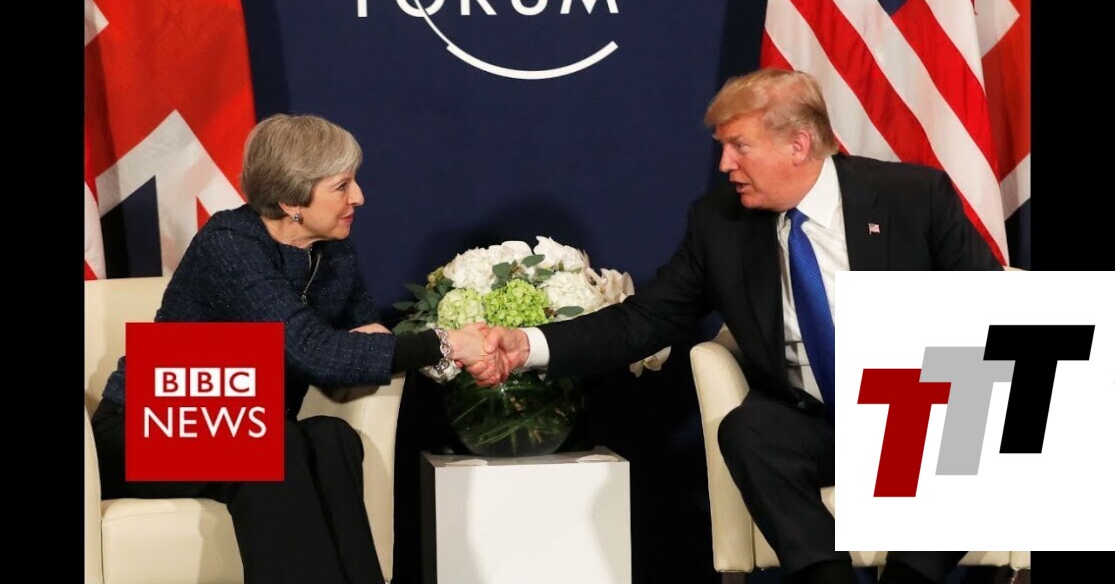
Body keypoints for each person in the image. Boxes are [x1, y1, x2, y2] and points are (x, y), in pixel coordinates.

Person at [470, 68, 1002, 584]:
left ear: (798, 145)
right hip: (816, 424)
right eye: (723, 147)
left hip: (919, 419)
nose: (725, 164)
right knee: (747, 429)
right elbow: (646, 319)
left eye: (740, 146)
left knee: (982, 411)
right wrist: (526, 346)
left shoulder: (913, 198)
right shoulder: (720, 224)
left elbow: (995, 313)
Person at [91, 113, 494, 584]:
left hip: (247, 428)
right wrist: (445, 342)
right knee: (273, 443)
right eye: (341, 186)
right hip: (145, 431)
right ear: (291, 201)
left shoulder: (335, 252)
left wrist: (364, 346)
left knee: (330, 437)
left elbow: (361, 346)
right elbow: (314, 352)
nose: (359, 197)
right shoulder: (228, 244)